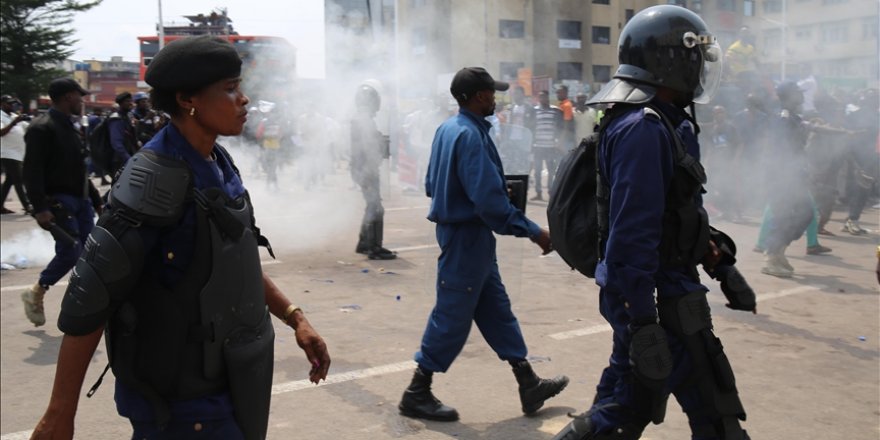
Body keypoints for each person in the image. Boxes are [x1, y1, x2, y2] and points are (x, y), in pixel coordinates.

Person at [30, 36, 331, 440]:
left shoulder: (217, 161)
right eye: (229, 88)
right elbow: (92, 294)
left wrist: (296, 317)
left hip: (227, 383)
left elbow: (228, 263)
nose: (243, 99)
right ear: (188, 99)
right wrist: (59, 413)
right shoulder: (153, 181)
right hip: (179, 404)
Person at [552, 6, 750, 439]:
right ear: (671, 61)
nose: (701, 68)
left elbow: (673, 213)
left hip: (669, 292)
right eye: (696, 57)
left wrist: (720, 262)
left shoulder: (664, 122)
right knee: (635, 411)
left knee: (630, 407)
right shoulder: (643, 129)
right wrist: (642, 322)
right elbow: (631, 236)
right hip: (658, 299)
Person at [398, 67, 569, 422]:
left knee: (496, 309)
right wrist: (535, 232)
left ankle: (528, 382)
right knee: (452, 313)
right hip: (466, 236)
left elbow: (432, 184)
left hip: (464, 234)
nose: (497, 98)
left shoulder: (449, 129)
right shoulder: (472, 137)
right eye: (492, 93)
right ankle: (417, 391)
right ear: (479, 97)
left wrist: (481, 190)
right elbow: (491, 206)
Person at [21, 78, 104, 328]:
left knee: (89, 254)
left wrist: (96, 200)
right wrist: (40, 208)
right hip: (58, 201)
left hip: (80, 200)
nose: (82, 101)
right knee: (71, 251)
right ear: (69, 97)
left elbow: (79, 169)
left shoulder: (72, 128)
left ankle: (84, 302)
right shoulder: (41, 128)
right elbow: (31, 172)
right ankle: (37, 290)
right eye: (80, 96)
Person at [351, 82, 396, 260]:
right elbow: (368, 147)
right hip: (366, 169)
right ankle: (374, 248)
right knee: (376, 208)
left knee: (372, 205)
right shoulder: (365, 120)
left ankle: (363, 243)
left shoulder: (361, 119)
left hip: (362, 168)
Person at [1, 94, 32, 214]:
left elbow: (28, 128)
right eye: (9, 103)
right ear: (2, 104)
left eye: (13, 103)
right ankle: (28, 205)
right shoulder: (1, 116)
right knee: (19, 179)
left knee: (10, 180)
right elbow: (1, 132)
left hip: (19, 154)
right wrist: (14, 122)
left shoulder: (15, 116)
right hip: (7, 153)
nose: (11, 105)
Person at [530, 90, 563, 201]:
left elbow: (559, 127)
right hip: (538, 145)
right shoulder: (534, 111)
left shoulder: (555, 110)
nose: (542, 99)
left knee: (551, 171)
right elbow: (531, 127)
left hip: (550, 146)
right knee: (537, 171)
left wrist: (558, 142)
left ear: (548, 97)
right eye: (540, 97)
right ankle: (538, 192)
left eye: (544, 97)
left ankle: (551, 192)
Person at [106, 91, 139, 176]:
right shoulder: (116, 119)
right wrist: (128, 158)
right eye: (127, 101)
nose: (130, 103)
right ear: (121, 103)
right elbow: (116, 143)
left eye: (130, 101)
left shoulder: (128, 116)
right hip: (120, 160)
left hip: (130, 155)